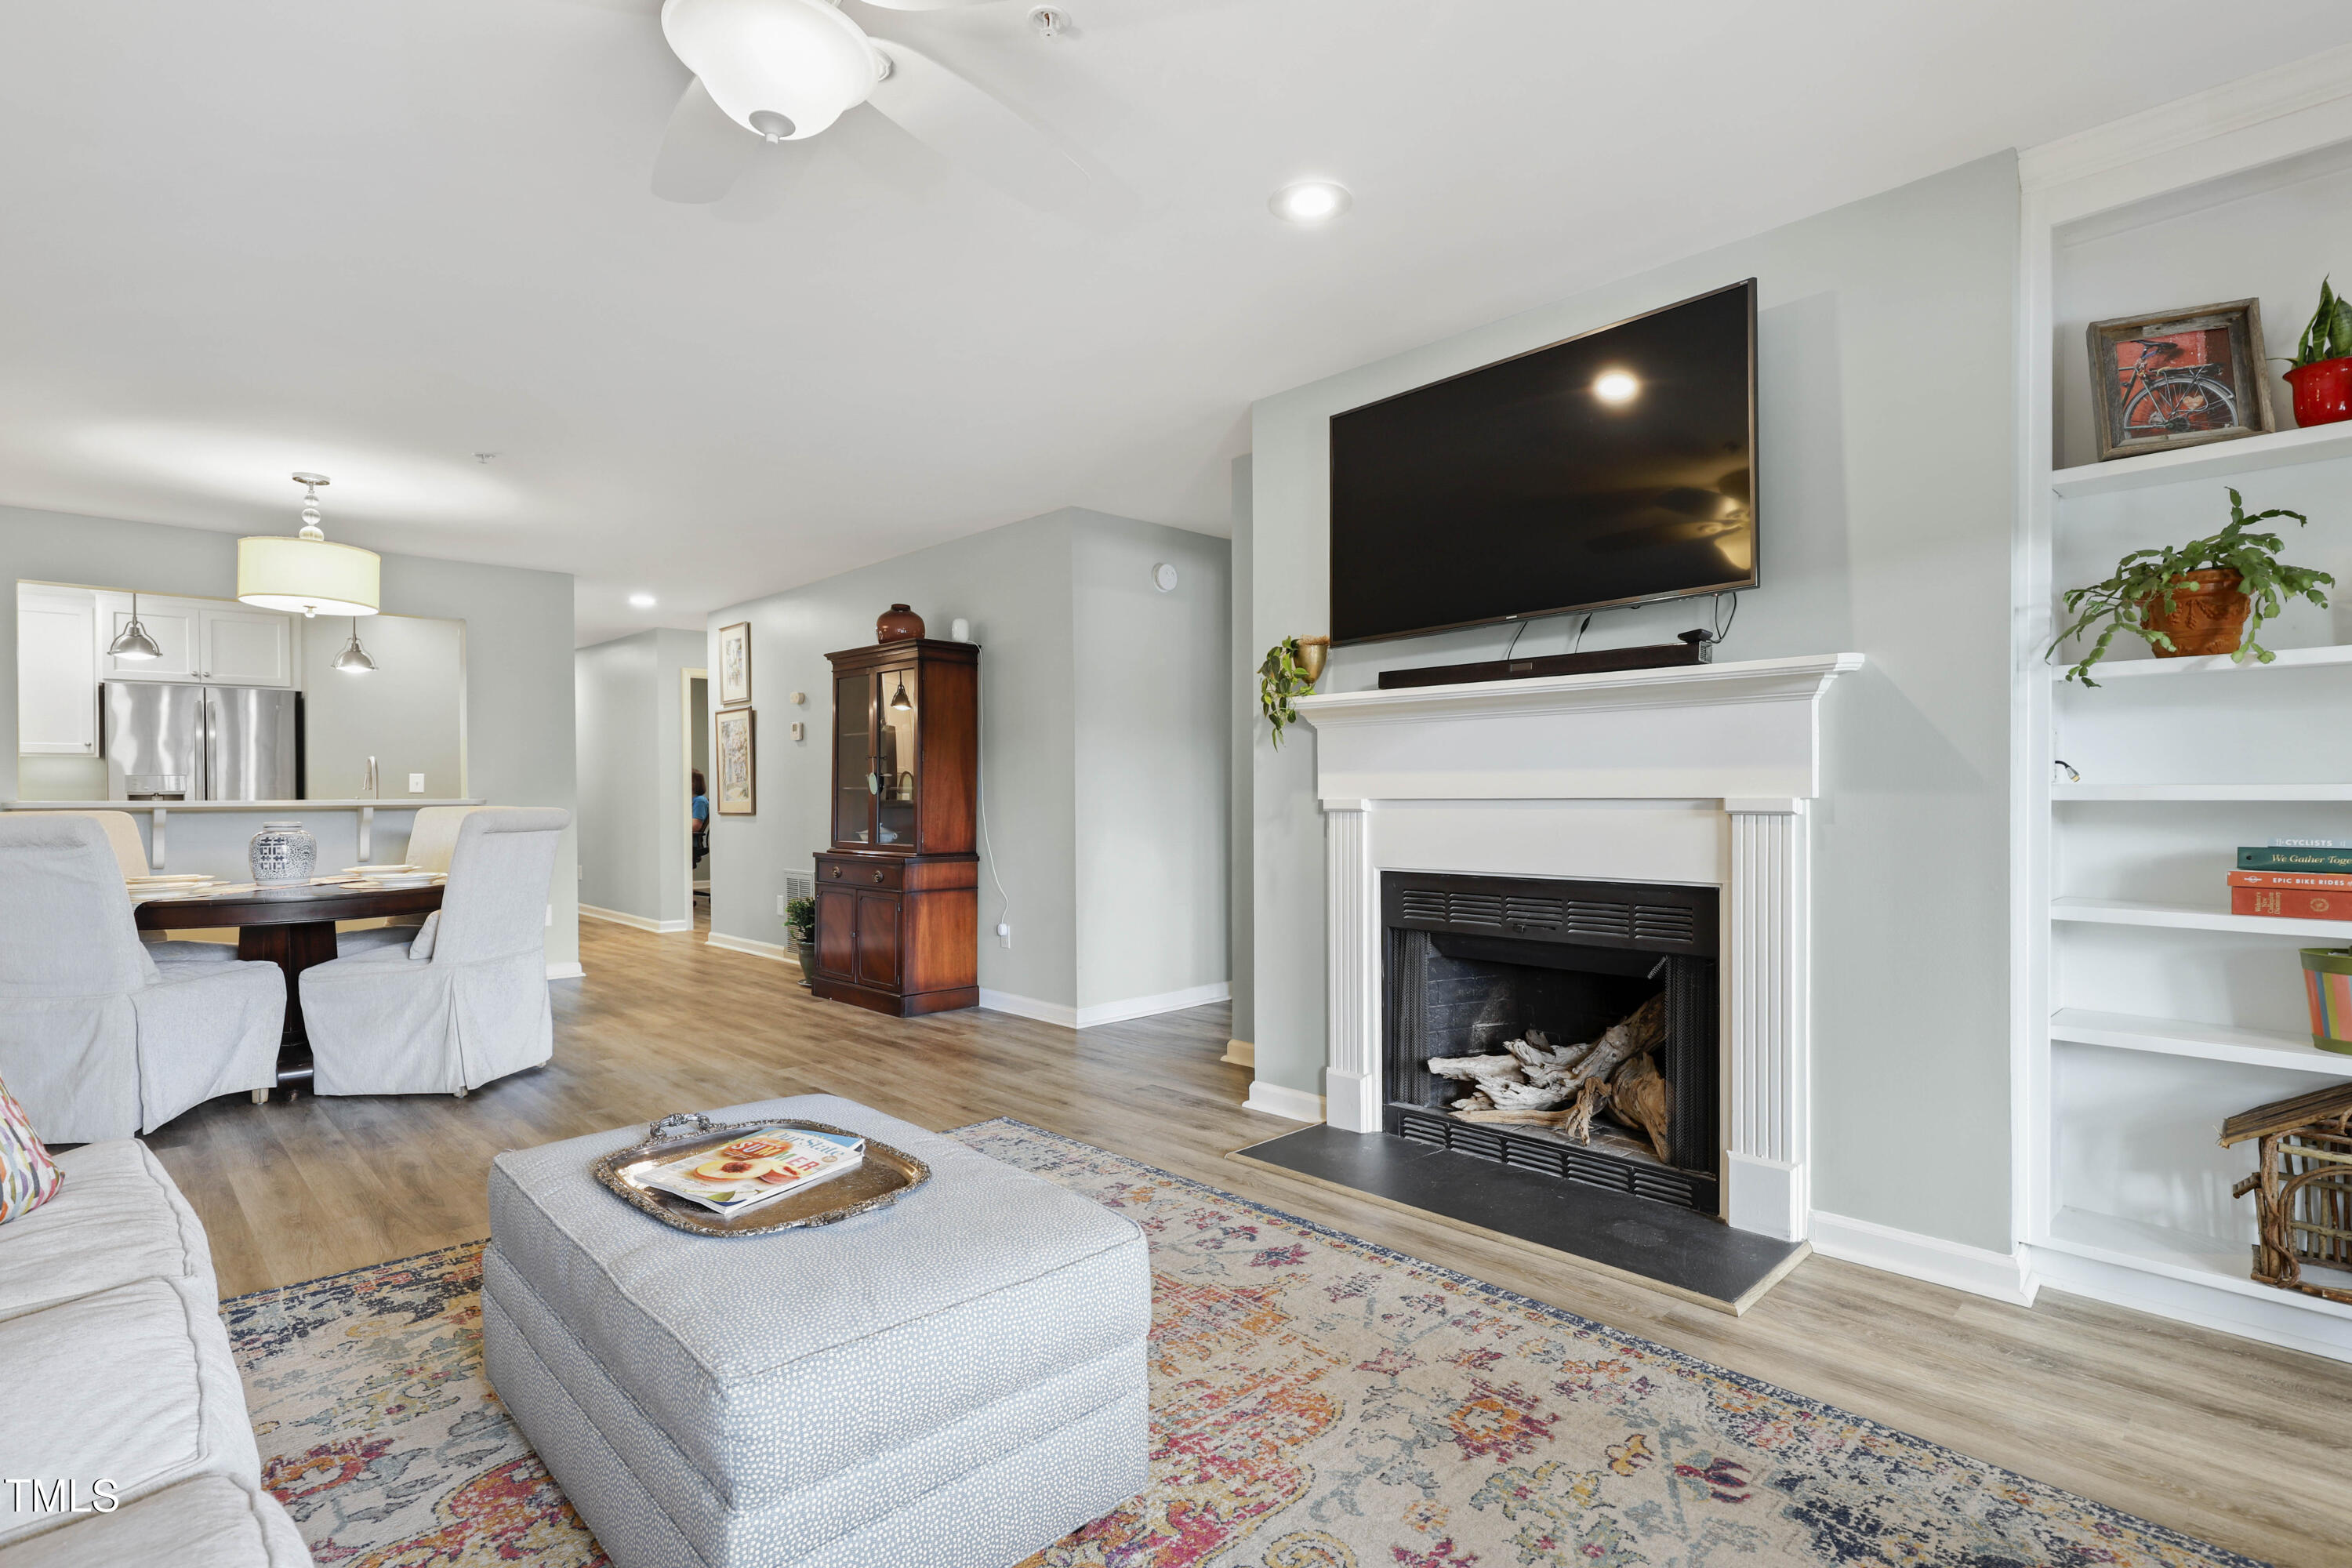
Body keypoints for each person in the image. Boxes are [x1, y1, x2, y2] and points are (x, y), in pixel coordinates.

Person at [691, 770, 710, 869]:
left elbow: (695, 826)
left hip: (690, 841)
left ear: (695, 784)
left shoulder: (700, 801)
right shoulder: (687, 800)